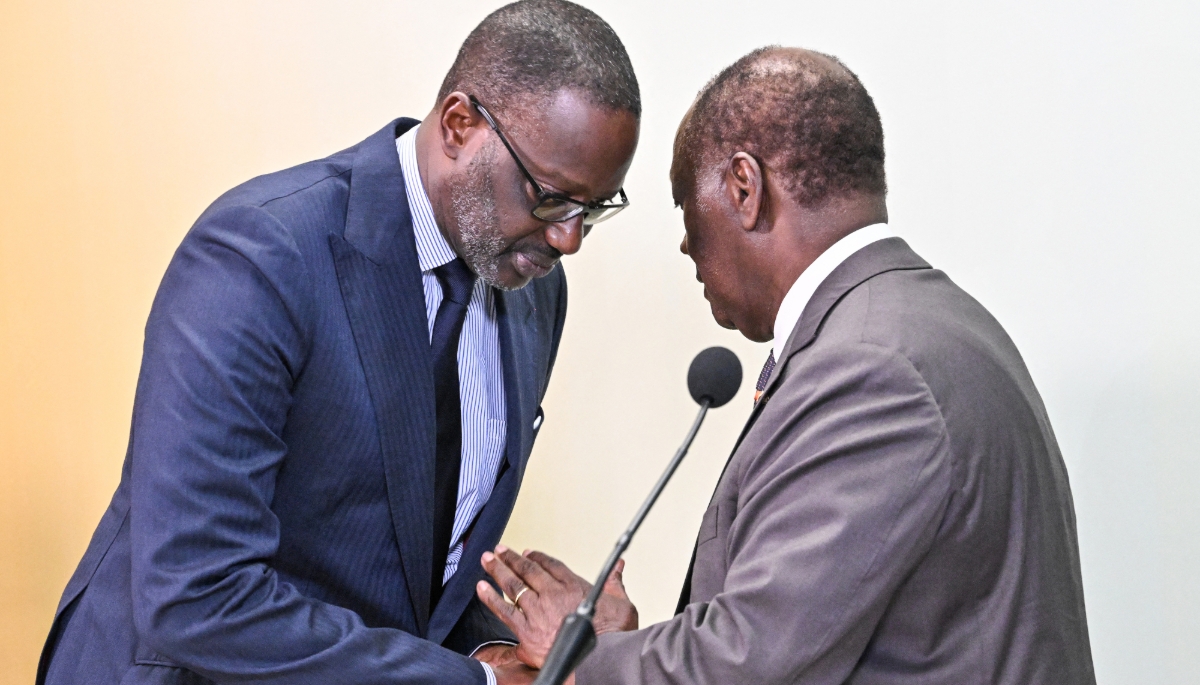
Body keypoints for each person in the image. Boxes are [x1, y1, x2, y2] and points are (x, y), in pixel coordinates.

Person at [36, 2, 639, 684]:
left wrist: (553, 647)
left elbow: (406, 574)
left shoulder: (534, 292)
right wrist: (478, 681)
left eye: (594, 209)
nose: (569, 239)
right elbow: (199, 595)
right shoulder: (262, 255)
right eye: (550, 197)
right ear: (459, 125)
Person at [475, 46, 1096, 684]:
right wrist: (624, 642)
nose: (687, 243)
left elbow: (751, 666)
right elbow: (809, 627)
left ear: (746, 188)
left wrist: (580, 657)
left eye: (687, 208)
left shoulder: (870, 372)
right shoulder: (925, 321)